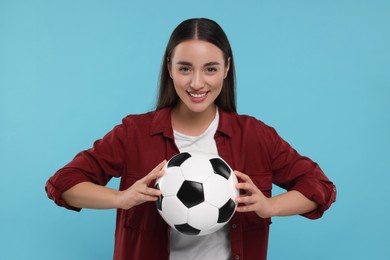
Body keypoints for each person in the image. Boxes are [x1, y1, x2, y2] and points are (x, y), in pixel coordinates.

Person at [45, 18, 336, 260]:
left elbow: (319, 188)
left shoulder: (255, 136)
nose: (197, 83)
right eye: (185, 68)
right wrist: (121, 198)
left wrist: (270, 207)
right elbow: (64, 183)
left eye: (210, 68)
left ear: (227, 68)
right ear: (169, 68)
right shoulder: (134, 133)